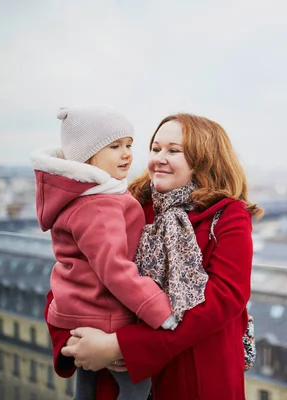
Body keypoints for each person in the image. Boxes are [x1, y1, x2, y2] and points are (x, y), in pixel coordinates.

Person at [46, 113, 262, 400]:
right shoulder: (125, 203)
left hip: (192, 374)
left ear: (204, 159)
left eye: (173, 150)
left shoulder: (229, 215)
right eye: (155, 148)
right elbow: (72, 272)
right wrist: (74, 344)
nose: (159, 157)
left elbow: (224, 299)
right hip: (116, 375)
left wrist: (121, 346)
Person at [31, 105, 177, 400]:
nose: (127, 154)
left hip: (78, 308)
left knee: (87, 386)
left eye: (129, 145)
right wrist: (158, 309)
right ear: (87, 155)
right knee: (138, 387)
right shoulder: (99, 204)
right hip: (103, 310)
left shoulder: (79, 196)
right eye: (114, 146)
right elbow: (113, 267)